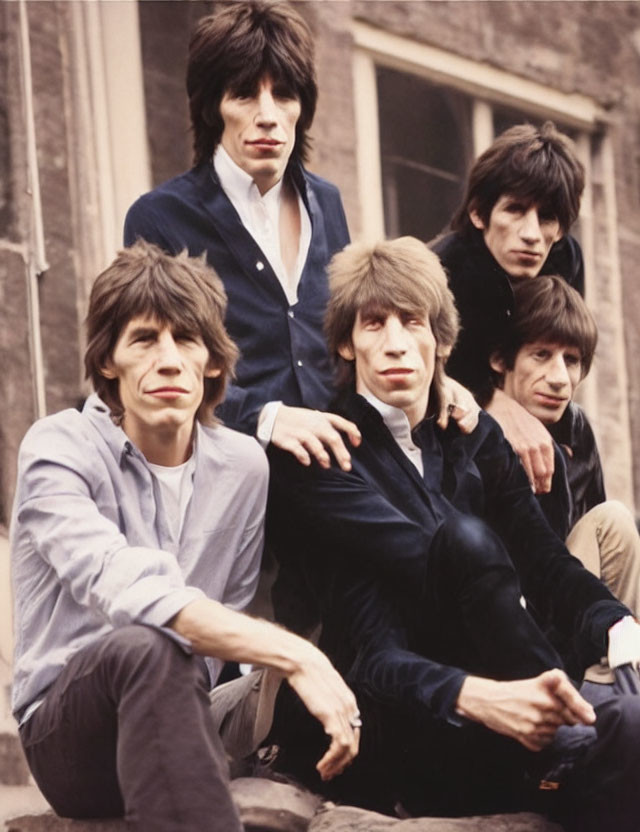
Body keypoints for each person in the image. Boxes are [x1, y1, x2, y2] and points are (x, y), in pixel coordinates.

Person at [266, 237, 640, 830]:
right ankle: (565, 727)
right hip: (398, 717)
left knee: (629, 724)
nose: (394, 343)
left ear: (440, 340)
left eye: (411, 321)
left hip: (506, 694)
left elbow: (544, 559)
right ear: (345, 342)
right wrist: (493, 697)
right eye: (373, 324)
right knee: (464, 541)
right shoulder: (323, 457)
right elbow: (374, 655)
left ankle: (571, 723)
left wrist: (616, 623)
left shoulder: (474, 437)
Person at [10, 242, 360, 832]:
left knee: (353, 654)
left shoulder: (244, 465)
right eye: (144, 339)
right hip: (72, 734)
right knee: (149, 644)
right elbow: (130, 594)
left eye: (186, 341)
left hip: (188, 708)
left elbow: (223, 629)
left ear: (214, 363)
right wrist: (295, 654)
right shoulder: (57, 448)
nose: (168, 360)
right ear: (107, 363)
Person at [125, 0, 473, 475]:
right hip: (235, 465)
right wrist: (267, 418)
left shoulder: (326, 202)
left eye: (284, 95)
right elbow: (153, 369)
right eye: (244, 95)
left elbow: (356, 333)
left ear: (302, 108)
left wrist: (431, 381)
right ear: (213, 108)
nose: (267, 115)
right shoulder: (161, 218)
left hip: (343, 456)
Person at [432, 121, 585, 494]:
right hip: (448, 435)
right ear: (479, 215)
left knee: (579, 431)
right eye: (515, 210)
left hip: (530, 411)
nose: (532, 234)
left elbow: (568, 348)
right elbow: (422, 376)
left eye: (547, 217)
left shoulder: (564, 260)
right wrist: (495, 404)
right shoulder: (441, 271)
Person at [489, 274, 640, 619]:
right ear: (500, 359)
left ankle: (611, 669)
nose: (559, 378)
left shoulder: (577, 429)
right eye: (541, 355)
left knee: (614, 521)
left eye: (571, 361)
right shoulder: (470, 426)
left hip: (566, 606)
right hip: (495, 620)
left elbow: (600, 545)